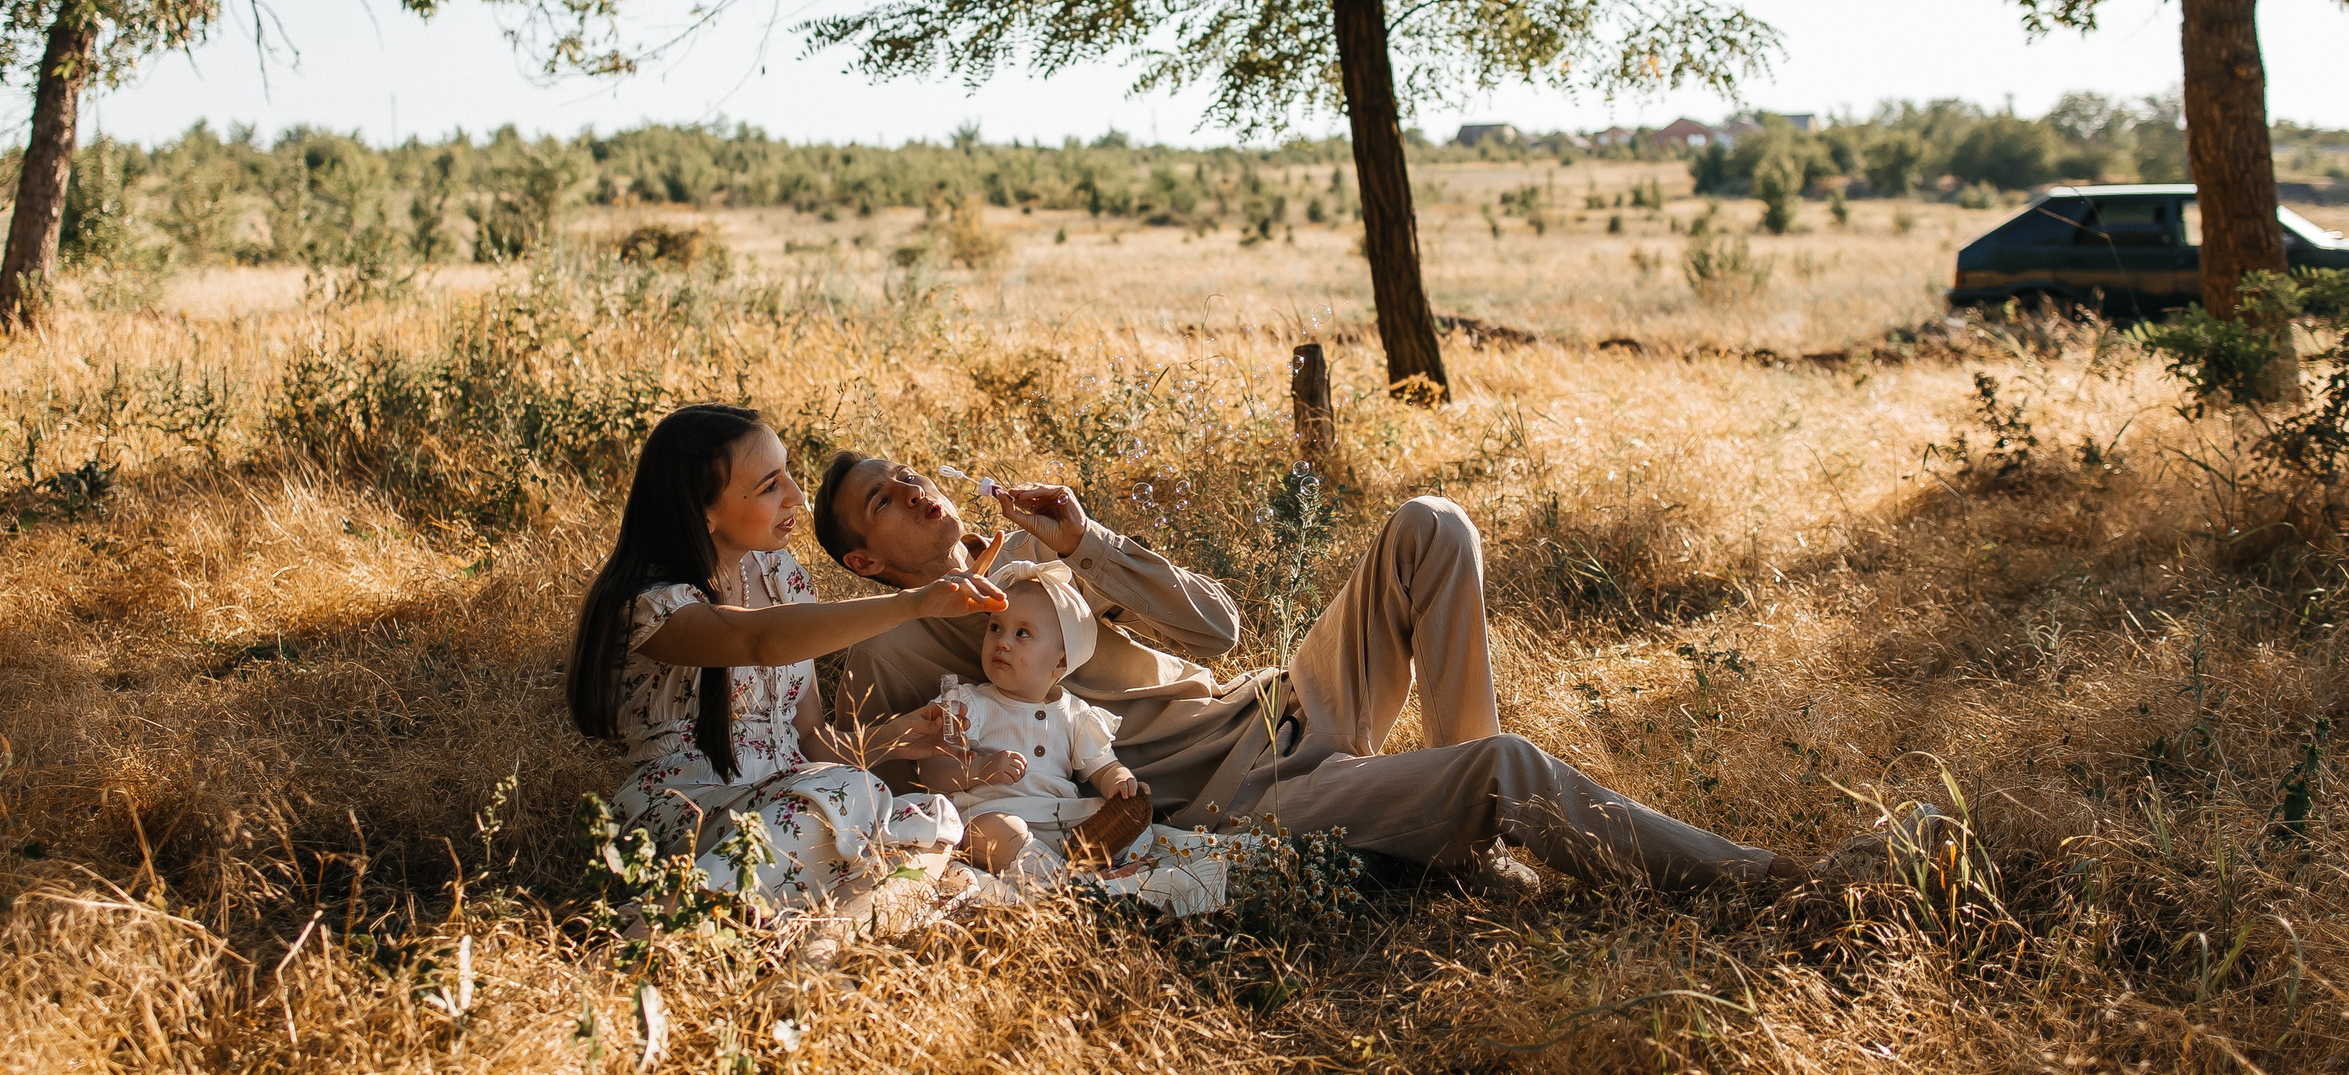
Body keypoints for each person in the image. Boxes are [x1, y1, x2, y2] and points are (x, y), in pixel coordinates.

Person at [812, 454, 1810, 893]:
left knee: (1430, 524)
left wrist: (1091, 543)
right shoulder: (872, 647)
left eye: (905, 473)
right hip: (1243, 796)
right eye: (882, 501)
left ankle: (1462, 831)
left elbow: (1217, 628)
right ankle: (1778, 887)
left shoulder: (1038, 563)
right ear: (862, 559)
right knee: (1505, 766)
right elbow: (859, 774)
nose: (910, 484)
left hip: (1279, 701)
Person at [565, 405, 1009, 910]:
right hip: (685, 812)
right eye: (770, 486)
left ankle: (807, 935)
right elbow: (758, 641)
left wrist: (901, 736)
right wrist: (917, 602)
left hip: (793, 794)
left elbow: (808, 740)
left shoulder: (782, 576)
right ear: (703, 511)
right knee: (847, 805)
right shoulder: (650, 603)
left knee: (927, 819)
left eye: (788, 473)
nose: (796, 495)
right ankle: (667, 926)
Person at [919, 558, 1149, 874]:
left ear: (1060, 661)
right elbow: (932, 772)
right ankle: (1074, 880)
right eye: (996, 627)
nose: (1002, 642)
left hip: (1063, 822)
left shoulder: (1076, 714)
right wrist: (981, 769)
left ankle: (1075, 866)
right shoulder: (970, 703)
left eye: (1022, 633)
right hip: (996, 814)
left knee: (1136, 817)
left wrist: (1120, 783)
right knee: (992, 834)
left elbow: (1103, 768)